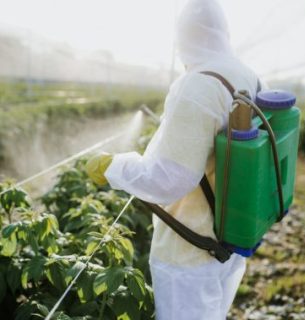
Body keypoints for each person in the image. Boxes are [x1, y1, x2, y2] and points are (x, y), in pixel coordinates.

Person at [86, 0, 262, 318]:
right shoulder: (245, 74)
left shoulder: (197, 86)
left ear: (182, 37)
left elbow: (169, 180)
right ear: (223, 32)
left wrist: (113, 166)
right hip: (230, 235)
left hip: (189, 252)